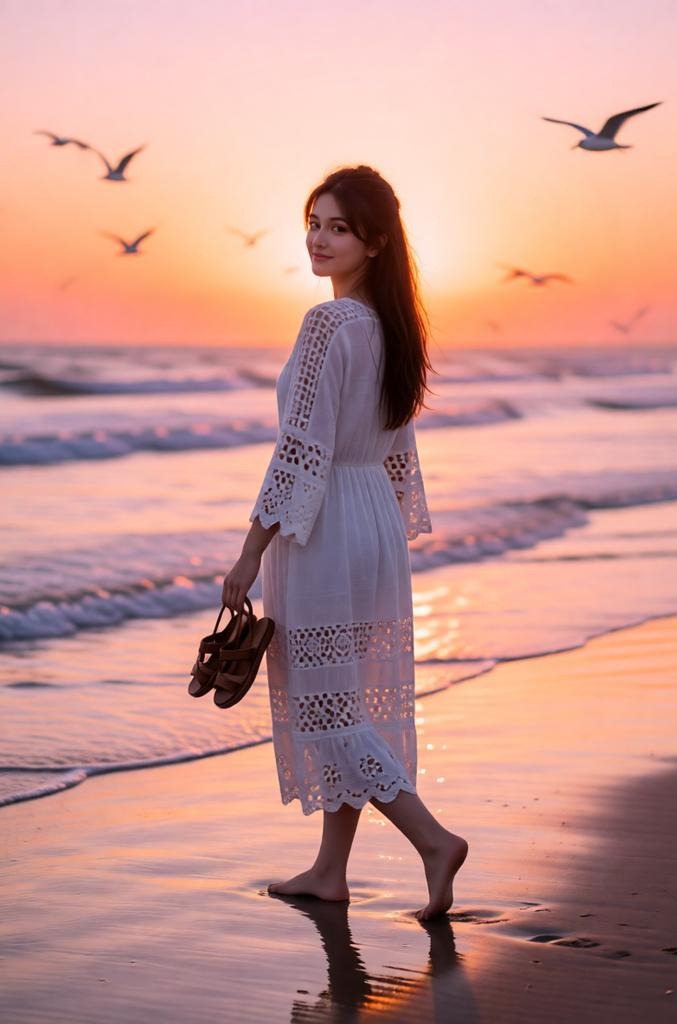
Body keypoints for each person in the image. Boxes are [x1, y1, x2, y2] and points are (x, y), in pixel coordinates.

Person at [221, 165, 468, 920]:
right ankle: (331, 870)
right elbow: (395, 449)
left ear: (376, 242)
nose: (318, 239)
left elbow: (300, 450)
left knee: (327, 709)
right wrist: (387, 525)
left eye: (338, 227)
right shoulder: (396, 328)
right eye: (314, 222)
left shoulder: (329, 324)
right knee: (347, 699)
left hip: (324, 527)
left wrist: (250, 550)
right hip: (372, 525)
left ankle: (433, 841)